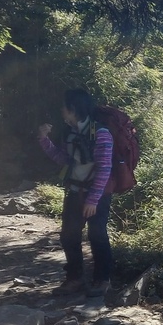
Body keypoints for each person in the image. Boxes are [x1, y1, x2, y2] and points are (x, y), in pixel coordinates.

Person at [37, 89, 113, 297]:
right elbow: (65, 160)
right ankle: (75, 278)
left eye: (65, 107)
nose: (62, 110)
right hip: (74, 191)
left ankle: (102, 279)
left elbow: (105, 168)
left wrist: (93, 199)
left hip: (98, 195)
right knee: (69, 236)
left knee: (97, 234)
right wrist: (44, 140)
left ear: (74, 109)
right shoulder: (70, 133)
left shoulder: (101, 133)